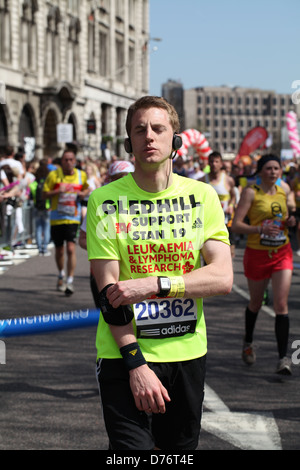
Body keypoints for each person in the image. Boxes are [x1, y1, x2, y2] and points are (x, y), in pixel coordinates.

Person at [86, 96, 233, 450]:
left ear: (175, 140)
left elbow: (223, 278)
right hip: (125, 354)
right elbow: (109, 293)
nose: (149, 136)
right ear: (129, 143)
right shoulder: (104, 201)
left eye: (158, 128)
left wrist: (155, 285)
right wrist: (136, 365)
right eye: (139, 130)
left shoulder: (202, 197)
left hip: (186, 352)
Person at [231, 154, 296, 375]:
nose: (274, 172)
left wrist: (291, 221)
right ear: (260, 171)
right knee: (256, 303)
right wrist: (260, 229)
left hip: (282, 252)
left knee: (280, 304)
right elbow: (237, 225)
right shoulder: (251, 192)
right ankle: (248, 342)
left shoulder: (284, 190)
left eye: (276, 168)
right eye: (269, 168)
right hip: (257, 254)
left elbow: (288, 214)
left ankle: (283, 358)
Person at [43, 147, 89, 295]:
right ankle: (61, 273)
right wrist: (57, 191)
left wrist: (82, 193)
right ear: (61, 161)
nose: (68, 162)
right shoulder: (53, 175)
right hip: (57, 218)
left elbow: (88, 189)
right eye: (65, 160)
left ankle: (70, 280)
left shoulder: (81, 175)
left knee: (70, 248)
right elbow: (43, 194)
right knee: (59, 250)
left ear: (75, 161)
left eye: (71, 160)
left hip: (73, 217)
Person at [201, 151, 236, 256]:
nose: (214, 164)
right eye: (211, 161)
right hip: (209, 222)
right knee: (210, 253)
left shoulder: (228, 180)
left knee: (228, 252)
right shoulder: (202, 180)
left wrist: (230, 205)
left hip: (225, 220)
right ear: (208, 163)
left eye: (216, 161)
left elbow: (234, 195)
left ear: (221, 164)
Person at [29, 159, 51, 256]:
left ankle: (39, 248)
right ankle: (45, 247)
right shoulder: (48, 183)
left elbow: (31, 196)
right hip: (47, 207)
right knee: (46, 228)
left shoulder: (34, 183)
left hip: (37, 207)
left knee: (38, 228)